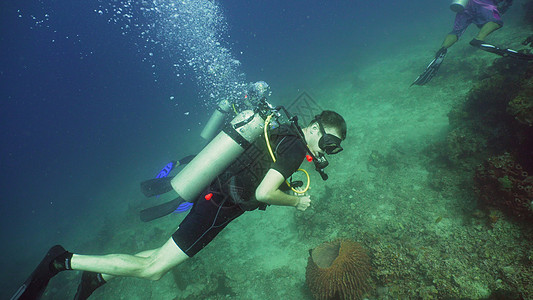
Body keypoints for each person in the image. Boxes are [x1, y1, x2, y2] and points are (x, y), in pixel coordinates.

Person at [12, 110, 347, 300]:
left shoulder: (285, 133)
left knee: (160, 257)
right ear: (315, 128)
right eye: (329, 142)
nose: (327, 151)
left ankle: (97, 275)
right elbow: (263, 192)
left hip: (214, 200)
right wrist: (297, 202)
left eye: (335, 149)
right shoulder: (292, 147)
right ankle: (62, 261)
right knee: (155, 269)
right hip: (218, 207)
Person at [411, 0, 531, 86]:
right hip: (482, 2)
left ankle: (443, 49)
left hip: (464, 5)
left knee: (456, 31)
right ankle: (479, 39)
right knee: (496, 21)